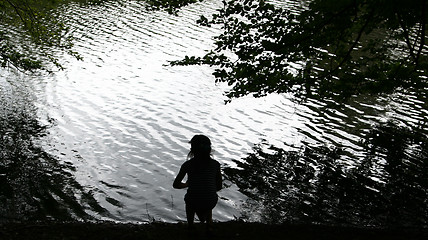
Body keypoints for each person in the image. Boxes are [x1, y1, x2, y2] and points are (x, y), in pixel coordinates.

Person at [173, 135, 222, 233]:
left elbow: (176, 185)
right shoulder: (216, 164)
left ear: (192, 150)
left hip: (194, 200)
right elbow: (219, 186)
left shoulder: (187, 165)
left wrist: (187, 185)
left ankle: (190, 226)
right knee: (209, 195)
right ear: (210, 149)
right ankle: (209, 224)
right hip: (211, 201)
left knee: (191, 200)